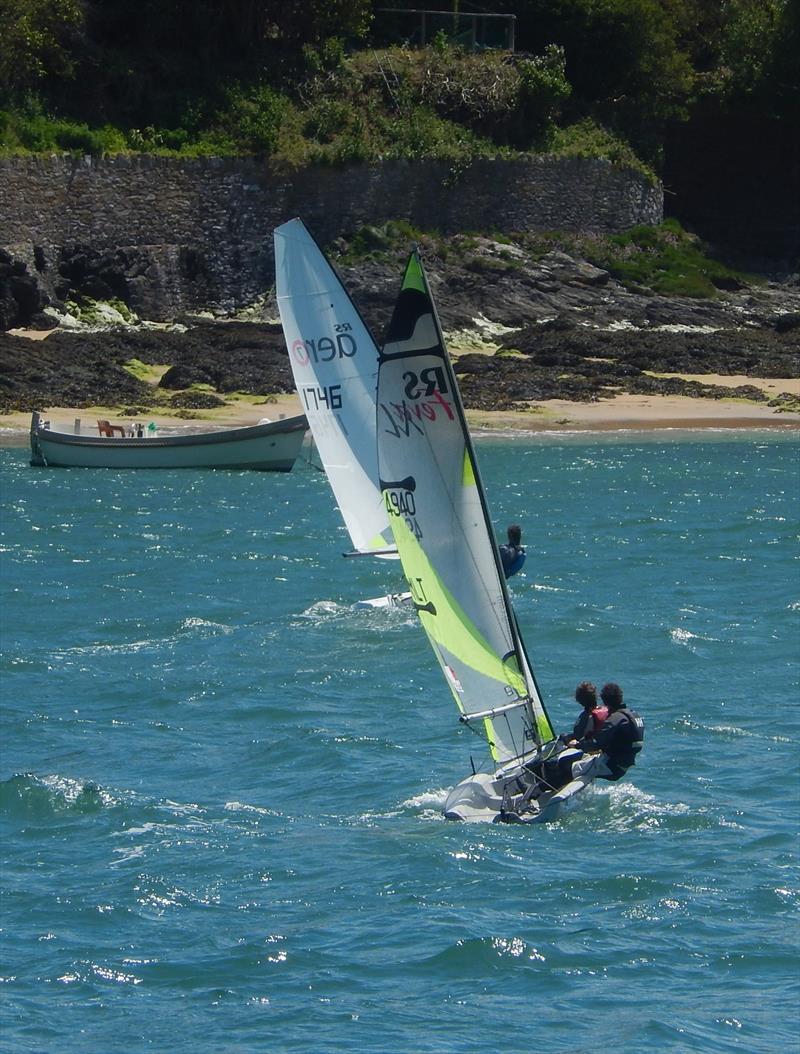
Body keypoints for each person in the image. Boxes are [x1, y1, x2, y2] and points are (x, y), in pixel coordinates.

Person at [570, 682, 644, 782]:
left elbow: (596, 743)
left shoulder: (614, 719)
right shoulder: (633, 715)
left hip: (610, 766)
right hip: (624, 765)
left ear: (605, 701)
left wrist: (577, 745)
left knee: (572, 767)